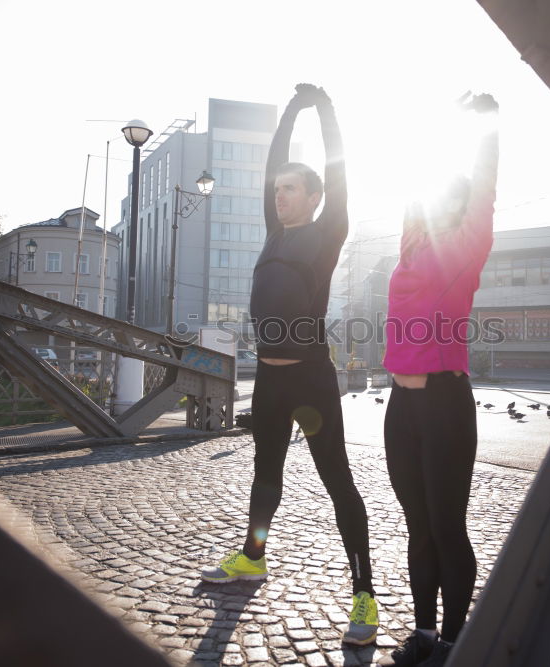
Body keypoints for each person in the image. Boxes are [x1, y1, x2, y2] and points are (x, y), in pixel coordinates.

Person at [201, 84, 378, 646]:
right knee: (265, 474)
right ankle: (253, 558)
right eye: (277, 190)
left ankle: (365, 596)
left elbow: (336, 168)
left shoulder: (329, 233)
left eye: (290, 190)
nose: (279, 196)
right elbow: (272, 164)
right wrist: (289, 113)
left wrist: (322, 109)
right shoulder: (274, 231)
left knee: (337, 482)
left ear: (314, 196)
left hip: (310, 377)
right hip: (271, 379)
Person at [378, 93, 499, 666]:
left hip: (446, 403)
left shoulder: (466, 250)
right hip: (400, 407)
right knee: (417, 526)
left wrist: (482, 129)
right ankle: (424, 634)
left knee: (448, 526)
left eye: (456, 198)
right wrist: (428, 133)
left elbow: (484, 189)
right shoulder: (412, 244)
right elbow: (412, 190)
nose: (443, 203)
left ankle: (455, 641)